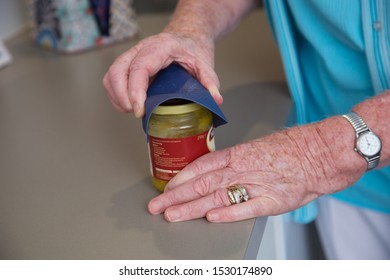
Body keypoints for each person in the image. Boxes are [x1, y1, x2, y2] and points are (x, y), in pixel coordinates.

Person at [103, 0, 390, 259]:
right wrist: (190, 28)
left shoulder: (321, 159)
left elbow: (322, 157)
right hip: (353, 188)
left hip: (337, 157)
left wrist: (321, 154)